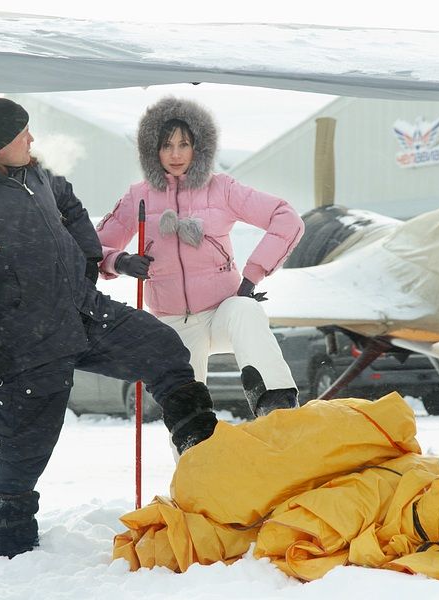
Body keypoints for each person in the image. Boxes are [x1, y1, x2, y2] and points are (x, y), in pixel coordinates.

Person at [0, 98, 218, 560]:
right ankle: (15, 552)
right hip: (26, 344)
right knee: (24, 452)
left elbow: (69, 202)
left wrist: (88, 258)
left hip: (85, 313)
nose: (31, 139)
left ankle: (203, 452)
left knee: (163, 347)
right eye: (22, 134)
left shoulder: (34, 175)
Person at [95, 96, 304, 417]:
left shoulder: (222, 188)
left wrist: (251, 277)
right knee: (188, 418)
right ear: (153, 150)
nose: (176, 154)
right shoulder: (139, 196)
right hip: (173, 324)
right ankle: (192, 443)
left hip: (222, 313)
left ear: (199, 146)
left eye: (184, 144)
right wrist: (120, 261)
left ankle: (276, 404)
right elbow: (93, 248)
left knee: (246, 309)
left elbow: (286, 218)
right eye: (166, 145)